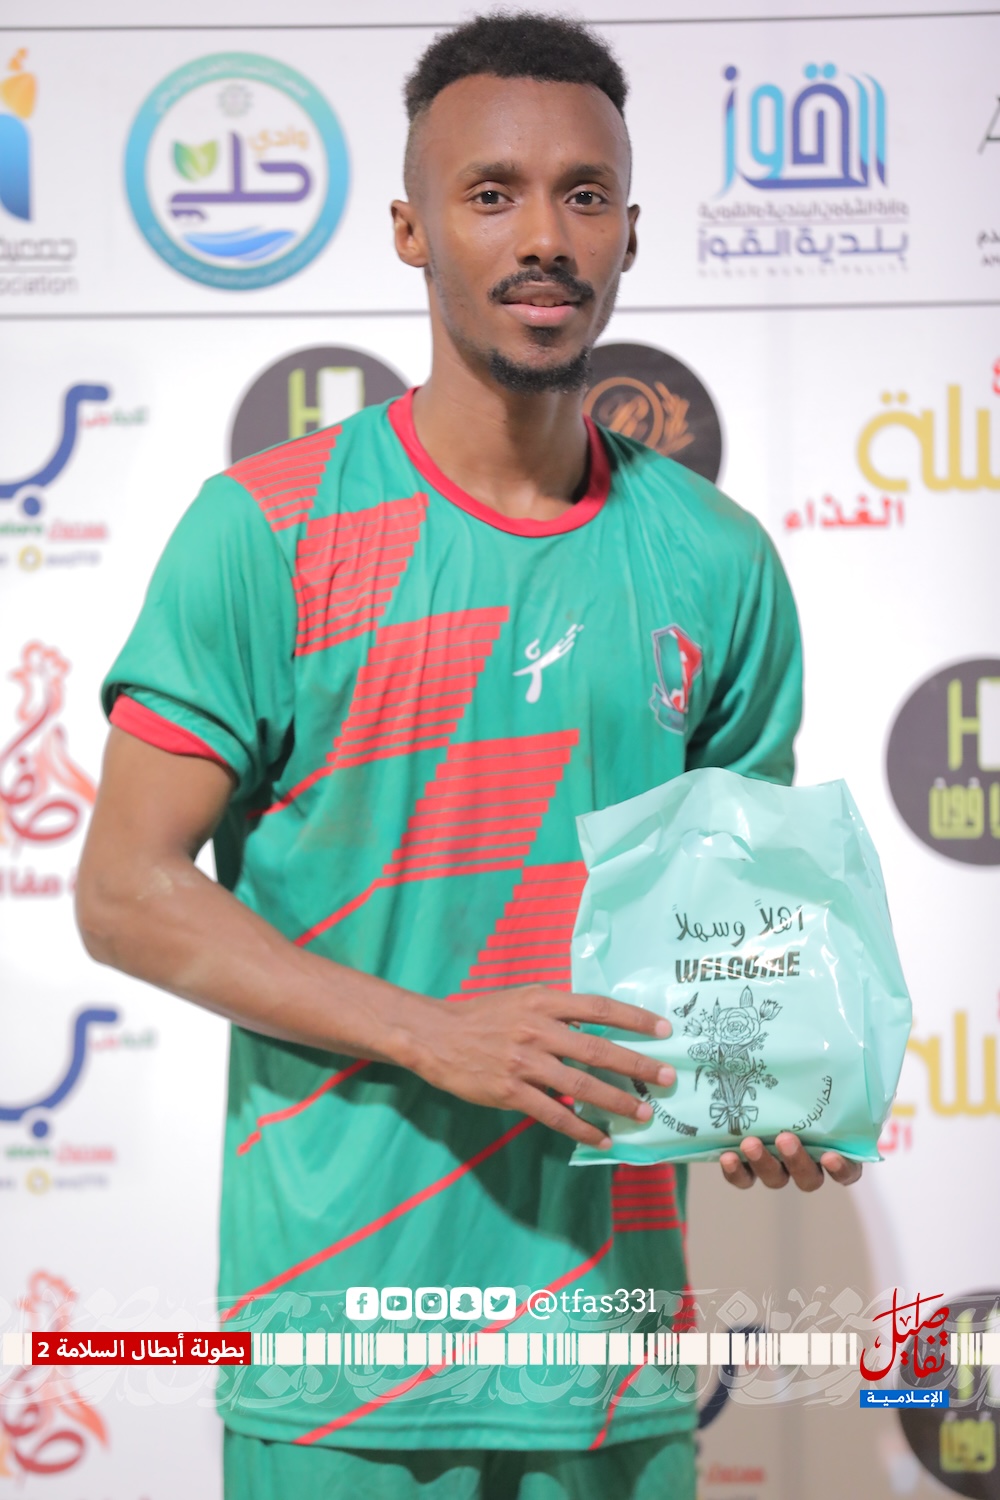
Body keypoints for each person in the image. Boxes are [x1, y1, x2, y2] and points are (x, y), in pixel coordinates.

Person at [76, 13, 861, 1499]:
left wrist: (771, 1084)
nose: (543, 236)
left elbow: (736, 929)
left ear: (631, 233)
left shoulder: (720, 561)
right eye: (491, 194)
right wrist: (436, 1032)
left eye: (583, 195)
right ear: (410, 230)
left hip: (612, 1361)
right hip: (342, 1363)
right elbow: (124, 892)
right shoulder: (267, 529)